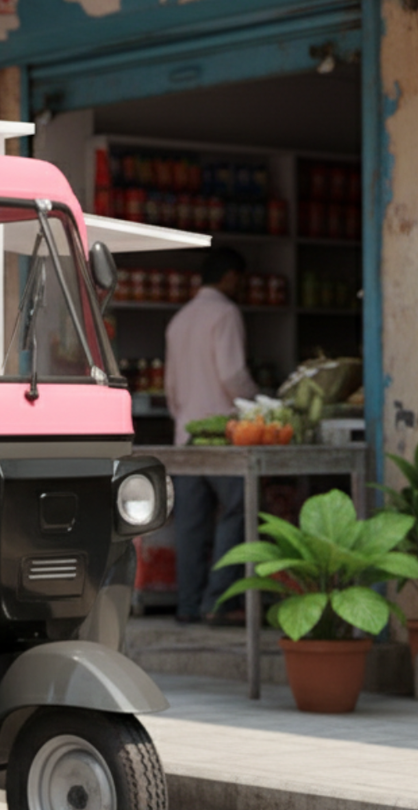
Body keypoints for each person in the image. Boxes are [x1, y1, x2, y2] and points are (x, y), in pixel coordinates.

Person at [165, 248, 259, 625]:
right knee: (237, 511)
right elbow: (233, 375)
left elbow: (171, 389)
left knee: (190, 524)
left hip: (186, 434)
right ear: (231, 276)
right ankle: (217, 601)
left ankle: (187, 604)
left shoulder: (179, 320)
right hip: (223, 434)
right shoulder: (225, 313)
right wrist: (260, 404)